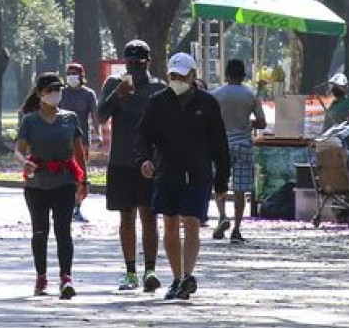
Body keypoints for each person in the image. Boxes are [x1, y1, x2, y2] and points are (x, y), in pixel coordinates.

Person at [136, 52, 230, 302]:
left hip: (198, 174)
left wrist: (222, 179)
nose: (177, 80)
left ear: (193, 75)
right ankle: (177, 278)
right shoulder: (157, 102)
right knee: (170, 224)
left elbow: (219, 144)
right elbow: (143, 136)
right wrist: (144, 159)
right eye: (173, 76)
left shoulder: (208, 103)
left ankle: (188, 276)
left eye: (182, 76)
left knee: (191, 223)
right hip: (167, 172)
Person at [98, 38, 165, 293]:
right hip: (121, 161)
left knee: (149, 217)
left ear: (148, 62)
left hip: (148, 162)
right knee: (126, 217)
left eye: (140, 62)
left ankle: (150, 270)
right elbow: (101, 116)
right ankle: (130, 272)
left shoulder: (158, 87)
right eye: (130, 62)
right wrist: (116, 96)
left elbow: (165, 127)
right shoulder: (114, 84)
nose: (135, 67)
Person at [16, 72, 88, 299]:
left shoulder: (70, 118)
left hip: (64, 181)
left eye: (58, 90)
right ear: (40, 94)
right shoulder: (30, 121)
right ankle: (41, 276)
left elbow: (79, 151)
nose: (55, 94)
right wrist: (24, 162)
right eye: (50, 90)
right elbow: (19, 150)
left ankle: (66, 278)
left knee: (63, 230)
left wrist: (84, 180)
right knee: (40, 231)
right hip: (37, 184)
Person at [208, 58, 267, 243]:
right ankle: (237, 228)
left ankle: (222, 216)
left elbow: (208, 120)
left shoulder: (215, 95)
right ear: (243, 75)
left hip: (221, 145)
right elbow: (262, 123)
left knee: (220, 183)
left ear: (226, 74)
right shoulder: (250, 95)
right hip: (242, 144)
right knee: (240, 189)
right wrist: (248, 124)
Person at [56, 62, 97, 222]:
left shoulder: (88, 94)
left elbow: (95, 116)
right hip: (63, 140)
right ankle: (62, 207)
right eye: (69, 73)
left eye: (74, 73)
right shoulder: (61, 93)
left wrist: (98, 134)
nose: (71, 76)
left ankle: (77, 206)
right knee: (63, 174)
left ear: (81, 76)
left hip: (82, 140)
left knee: (80, 174)